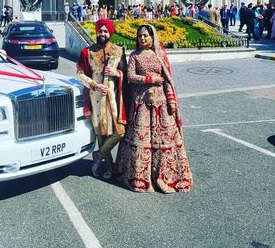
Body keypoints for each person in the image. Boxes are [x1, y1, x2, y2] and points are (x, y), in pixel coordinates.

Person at [116, 24, 193, 193]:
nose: (142, 38)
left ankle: (166, 176)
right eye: (140, 36)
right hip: (141, 103)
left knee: (164, 140)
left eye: (145, 35)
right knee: (140, 139)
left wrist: (171, 100)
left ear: (152, 37)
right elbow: (131, 77)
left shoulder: (160, 56)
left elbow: (166, 80)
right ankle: (140, 178)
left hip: (161, 104)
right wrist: (150, 79)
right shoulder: (135, 56)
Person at [76, 19, 128, 180]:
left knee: (119, 132)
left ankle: (98, 156)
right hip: (95, 100)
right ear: (97, 32)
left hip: (114, 100)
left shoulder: (118, 51)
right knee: (101, 135)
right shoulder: (87, 52)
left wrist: (117, 73)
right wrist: (94, 85)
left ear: (110, 33)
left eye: (105, 31)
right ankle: (109, 167)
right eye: (100, 31)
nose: (103, 34)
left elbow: (126, 74)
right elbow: (79, 74)